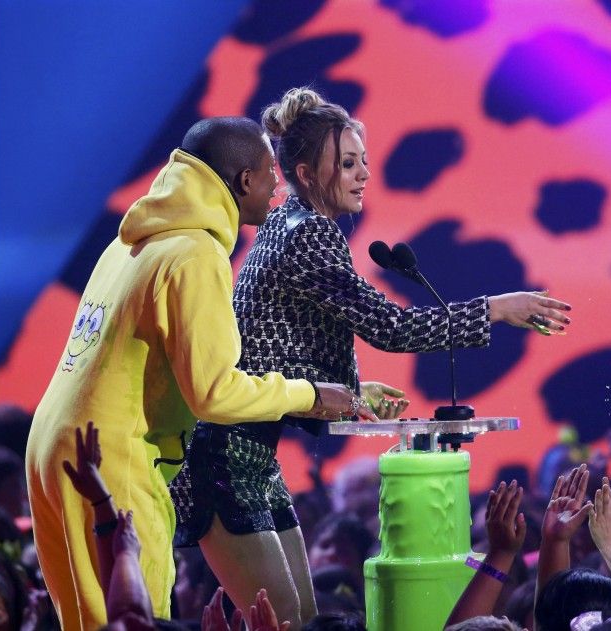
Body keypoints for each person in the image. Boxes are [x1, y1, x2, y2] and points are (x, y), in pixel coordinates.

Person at [169, 87, 573, 630]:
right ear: (308, 174)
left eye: (365, 161)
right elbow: (394, 327)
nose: (363, 175)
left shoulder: (290, 225)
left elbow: (272, 348)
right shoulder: (307, 234)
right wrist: (497, 308)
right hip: (223, 458)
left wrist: (357, 396)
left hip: (253, 457)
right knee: (287, 623)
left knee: (301, 621)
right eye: (348, 163)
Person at [25, 116, 371, 631]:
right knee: (134, 619)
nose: (278, 184)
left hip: (53, 450)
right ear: (244, 181)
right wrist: (307, 394)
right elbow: (213, 394)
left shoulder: (132, 241)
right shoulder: (196, 253)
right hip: (111, 456)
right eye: (268, 172)